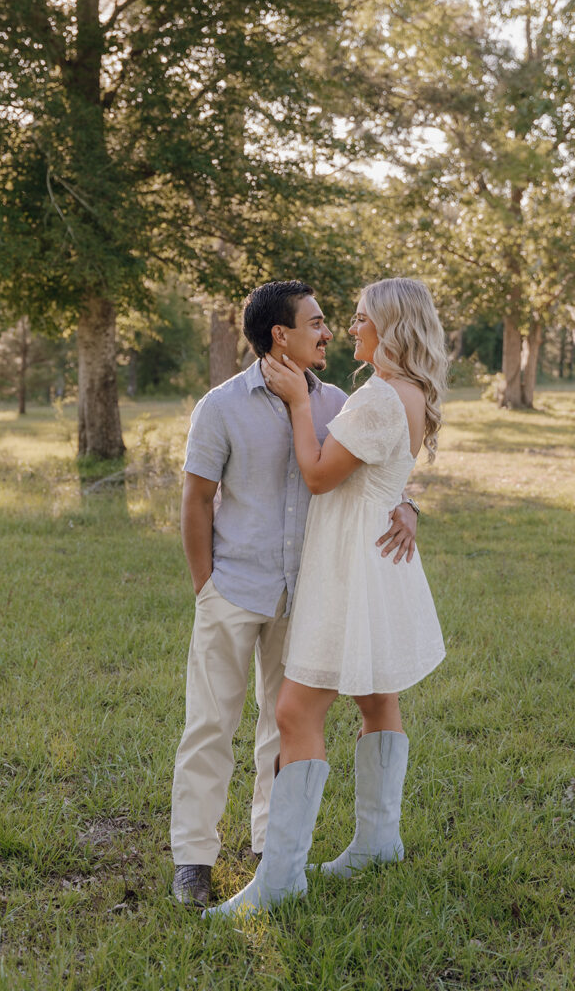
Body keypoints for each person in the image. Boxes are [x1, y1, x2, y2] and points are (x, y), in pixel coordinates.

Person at [171, 280, 421, 907]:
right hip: (236, 587)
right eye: (316, 322)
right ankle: (194, 859)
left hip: (309, 591)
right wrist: (206, 586)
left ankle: (268, 847)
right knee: (210, 724)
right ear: (279, 334)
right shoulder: (221, 406)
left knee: (281, 723)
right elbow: (197, 499)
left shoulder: (338, 401)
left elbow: (376, 467)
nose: (329, 331)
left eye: (334, 320)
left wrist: (409, 505)